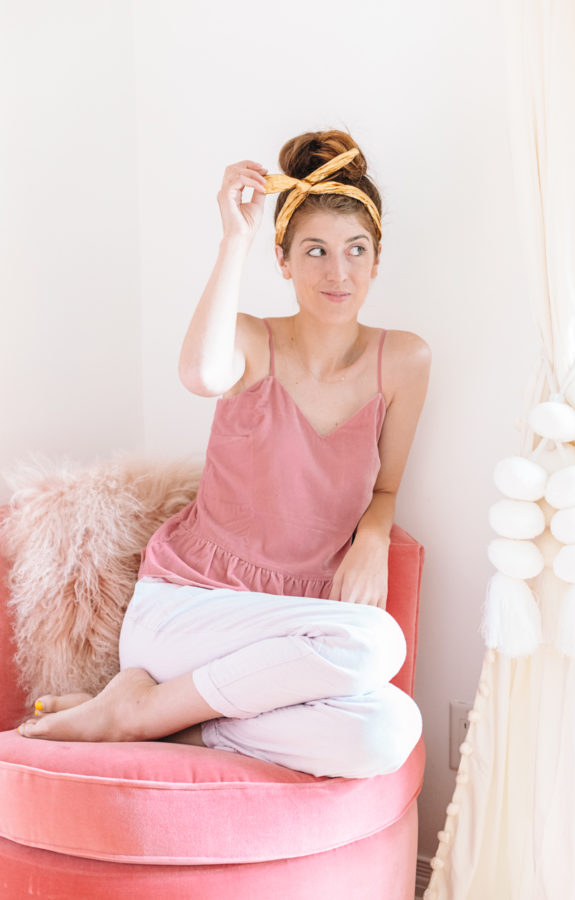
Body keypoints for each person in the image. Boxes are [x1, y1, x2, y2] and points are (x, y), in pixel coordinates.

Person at [17, 129, 431, 779]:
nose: (338, 271)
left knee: (388, 730)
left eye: (356, 250)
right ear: (282, 258)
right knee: (375, 641)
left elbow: (384, 491)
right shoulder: (249, 341)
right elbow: (201, 375)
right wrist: (232, 238)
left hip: (293, 634)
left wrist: (375, 536)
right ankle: (139, 712)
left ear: (377, 260)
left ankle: (153, 721)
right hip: (189, 612)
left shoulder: (404, 361)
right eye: (314, 250)